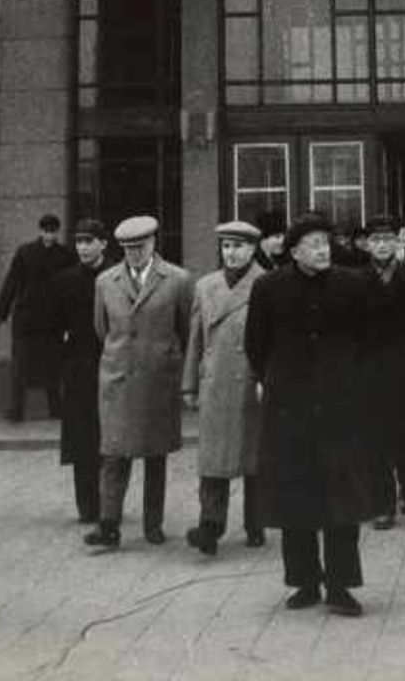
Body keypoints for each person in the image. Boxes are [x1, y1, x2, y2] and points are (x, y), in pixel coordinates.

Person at [245, 213, 376, 617]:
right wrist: (276, 379)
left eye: (326, 243)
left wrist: (352, 379)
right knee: (294, 494)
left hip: (341, 404)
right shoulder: (269, 287)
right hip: (289, 407)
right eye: (314, 244)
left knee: (342, 496)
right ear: (294, 250)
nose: (323, 250)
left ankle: (340, 585)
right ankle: (303, 582)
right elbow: (256, 343)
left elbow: (368, 338)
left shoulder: (353, 284)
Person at [84, 214, 193, 551]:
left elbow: (186, 329)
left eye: (140, 247)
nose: (134, 254)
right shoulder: (106, 281)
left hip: (157, 380)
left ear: (154, 244)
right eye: (128, 249)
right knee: (114, 455)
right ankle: (108, 524)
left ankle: (153, 524)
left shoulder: (177, 279)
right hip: (118, 379)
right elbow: (102, 329)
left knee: (155, 455)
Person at [183, 220, 266, 556]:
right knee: (212, 461)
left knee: (254, 459)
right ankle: (210, 527)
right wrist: (189, 384)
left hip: (250, 382)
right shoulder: (205, 286)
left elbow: (272, 341)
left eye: (239, 247)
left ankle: (256, 524)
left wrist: (267, 379)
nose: (231, 254)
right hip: (214, 382)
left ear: (253, 249)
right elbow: (195, 339)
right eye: (226, 247)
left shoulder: (265, 284)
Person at [361, 214, 405, 527]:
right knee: (375, 436)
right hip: (371, 367)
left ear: (397, 242)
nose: (381, 245)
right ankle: (382, 503)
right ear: (366, 245)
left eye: (387, 239)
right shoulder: (355, 279)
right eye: (375, 240)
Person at [51, 218, 110, 525]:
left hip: (110, 364)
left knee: (110, 437)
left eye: (89, 241)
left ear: (103, 243)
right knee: (82, 438)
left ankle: (109, 501)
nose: (83, 247)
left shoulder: (116, 276)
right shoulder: (65, 280)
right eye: (79, 241)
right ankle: (87, 506)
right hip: (77, 367)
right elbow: (52, 324)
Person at [0, 213, 75, 422]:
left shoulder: (66, 255)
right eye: (46, 231)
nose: (49, 236)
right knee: (20, 365)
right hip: (27, 318)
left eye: (53, 232)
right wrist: (1, 311)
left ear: (57, 232)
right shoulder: (25, 252)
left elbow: (71, 288)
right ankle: (16, 410)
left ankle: (56, 409)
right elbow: (12, 281)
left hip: (53, 319)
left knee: (53, 365)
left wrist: (69, 318)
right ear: (40, 231)